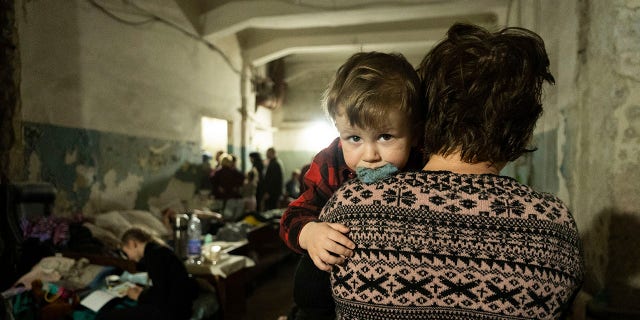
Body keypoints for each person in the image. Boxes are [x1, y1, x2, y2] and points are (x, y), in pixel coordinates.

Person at [320, 23, 584, 320]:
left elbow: (309, 301)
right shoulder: (554, 228)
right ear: (522, 130)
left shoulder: (348, 210)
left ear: (424, 113)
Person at [280, 51, 425, 320]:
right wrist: (310, 233)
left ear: (414, 134)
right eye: (354, 138)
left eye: (385, 136)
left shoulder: (424, 163)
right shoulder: (330, 160)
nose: (370, 154)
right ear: (338, 130)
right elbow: (293, 215)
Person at [96, 227, 197, 320]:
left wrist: (139, 296)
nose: (129, 258)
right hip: (178, 307)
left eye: (127, 253)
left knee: (104, 316)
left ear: (132, 244)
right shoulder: (158, 251)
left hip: (173, 312)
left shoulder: (154, 256)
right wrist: (144, 292)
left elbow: (161, 297)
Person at [210, 153, 245, 221]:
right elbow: (242, 178)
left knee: (219, 215)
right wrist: (235, 187)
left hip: (220, 196)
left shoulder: (217, 172)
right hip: (230, 196)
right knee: (229, 216)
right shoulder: (233, 172)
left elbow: (212, 181)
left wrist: (218, 188)